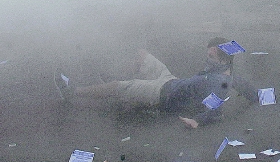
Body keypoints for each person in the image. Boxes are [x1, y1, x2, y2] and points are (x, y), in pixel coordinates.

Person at [60, 38, 256, 127]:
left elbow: (216, 109)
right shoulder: (227, 73)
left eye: (210, 54)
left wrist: (197, 121)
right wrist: (264, 98)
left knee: (119, 87)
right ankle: (109, 80)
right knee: (142, 55)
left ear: (221, 57)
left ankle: (73, 92)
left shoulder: (219, 81)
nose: (207, 57)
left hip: (162, 94)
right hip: (171, 80)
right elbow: (252, 92)